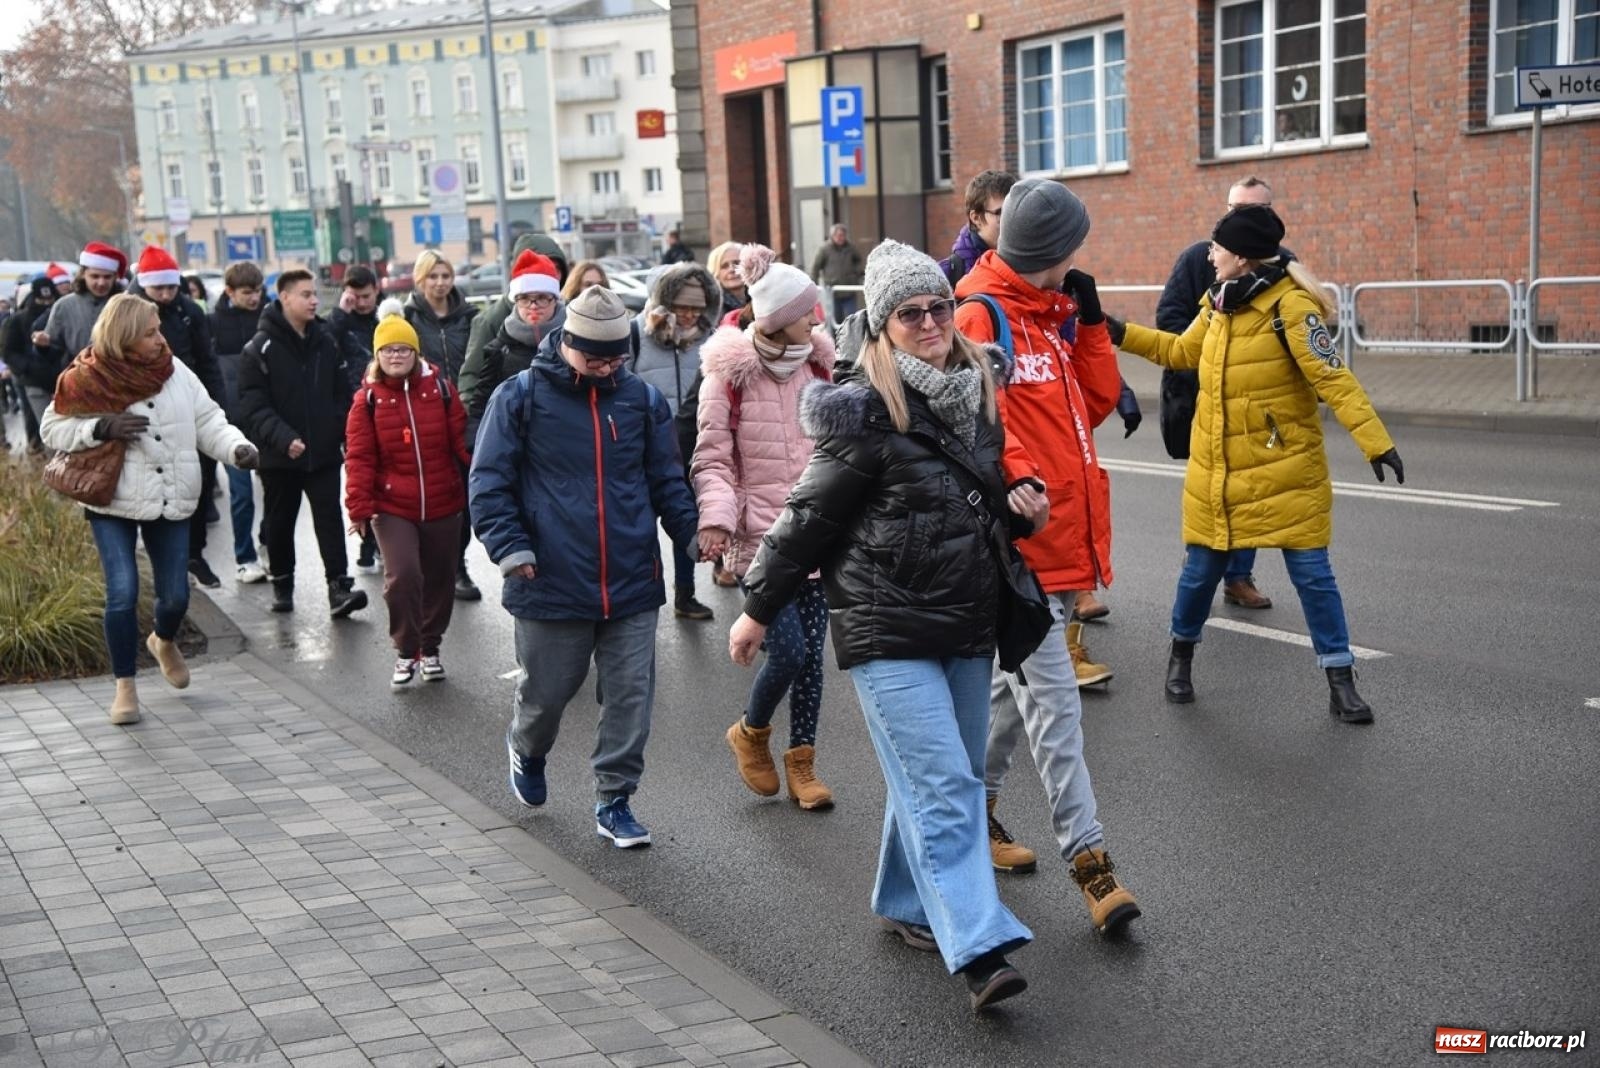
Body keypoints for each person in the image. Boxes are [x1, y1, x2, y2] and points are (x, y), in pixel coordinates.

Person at [730, 239, 1048, 1010]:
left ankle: (906, 902)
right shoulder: (863, 412)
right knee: (943, 785)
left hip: (966, 619)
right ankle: (979, 946)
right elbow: (806, 517)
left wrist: (1021, 506)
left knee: (950, 780)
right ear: (881, 324)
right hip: (885, 626)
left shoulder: (975, 390)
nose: (932, 321)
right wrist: (757, 607)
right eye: (911, 313)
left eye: (939, 305)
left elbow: (987, 498)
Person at [1113, 205, 1403, 724]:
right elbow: (1180, 352)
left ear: (1241, 256)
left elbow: (1333, 378)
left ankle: (1341, 680)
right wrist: (1117, 331)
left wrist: (1375, 442)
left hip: (1285, 466)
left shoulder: (1290, 308)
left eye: (1217, 246)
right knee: (1199, 574)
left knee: (1313, 576)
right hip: (1218, 468)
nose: (1210, 254)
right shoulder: (1216, 303)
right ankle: (1180, 660)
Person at [952, 180, 1141, 933]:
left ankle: (978, 811)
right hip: (1021, 548)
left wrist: (1090, 325)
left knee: (1011, 698)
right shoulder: (981, 312)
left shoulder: (1047, 316)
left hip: (1064, 544)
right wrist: (1024, 484)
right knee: (1056, 711)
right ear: (1055, 250)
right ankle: (1092, 865)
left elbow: (1093, 405)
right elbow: (986, 426)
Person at [470, 285, 701, 848]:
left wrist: (693, 535)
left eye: (616, 357)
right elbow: (488, 482)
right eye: (593, 357)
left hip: (630, 579)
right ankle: (526, 746)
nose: (605, 368)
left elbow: (667, 479)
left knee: (629, 697)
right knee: (548, 693)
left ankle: (615, 799)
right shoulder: (519, 397)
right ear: (566, 343)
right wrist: (511, 548)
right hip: (548, 578)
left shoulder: (641, 401)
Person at [40, 294, 258, 724]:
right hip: (112, 500)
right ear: (124, 338)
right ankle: (125, 687)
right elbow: (52, 426)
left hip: (170, 495)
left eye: (159, 329)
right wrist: (99, 427)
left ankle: (163, 640)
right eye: (150, 333)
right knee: (122, 592)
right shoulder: (88, 376)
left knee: (176, 595)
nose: (161, 340)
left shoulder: (176, 371)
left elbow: (208, 420)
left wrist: (237, 448)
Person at [694, 244, 836, 809]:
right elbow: (712, 460)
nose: (816, 318)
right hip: (759, 540)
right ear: (779, 318)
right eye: (807, 310)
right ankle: (751, 732)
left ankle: (803, 763)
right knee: (789, 651)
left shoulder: (820, 366)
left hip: (816, 535)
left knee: (813, 660)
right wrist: (717, 521)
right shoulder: (726, 377)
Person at [1154, 176, 1294, 611]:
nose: (1245, 216)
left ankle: (1238, 576)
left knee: (1250, 492)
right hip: (1204, 400)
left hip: (1257, 409)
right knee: (1211, 492)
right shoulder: (1200, 257)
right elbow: (1171, 318)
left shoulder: (1284, 264)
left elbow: (1299, 335)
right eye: (1237, 207)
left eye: (1257, 209)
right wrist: (1212, 361)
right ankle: (1200, 573)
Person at [344, 304, 470, 688]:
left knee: (440, 579)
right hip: (392, 506)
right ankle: (406, 649)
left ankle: (430, 648)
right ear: (377, 356)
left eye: (403, 349)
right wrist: (359, 508)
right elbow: (359, 458)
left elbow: (463, 444)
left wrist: (486, 481)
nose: (396, 356)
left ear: (415, 353)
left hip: (444, 501)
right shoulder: (366, 401)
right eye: (388, 350)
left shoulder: (442, 391)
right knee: (403, 576)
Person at [237, 269, 368, 619]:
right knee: (280, 521)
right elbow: (252, 404)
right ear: (285, 298)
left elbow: (343, 393)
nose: (314, 300)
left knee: (328, 518)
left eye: (314, 294)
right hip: (279, 457)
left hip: (323, 453)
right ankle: (282, 582)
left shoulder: (325, 341)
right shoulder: (259, 348)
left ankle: (339, 587)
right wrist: (283, 438)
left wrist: (339, 432)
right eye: (306, 294)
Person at [129, 246, 229, 590]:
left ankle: (194, 554)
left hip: (189, 404)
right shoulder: (128, 310)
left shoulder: (189, 310)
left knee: (197, 482)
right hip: (145, 411)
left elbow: (207, 359)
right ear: (145, 286)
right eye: (160, 289)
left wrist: (218, 405)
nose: (167, 295)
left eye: (172, 288)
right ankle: (163, 565)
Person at [631, 262, 722, 620]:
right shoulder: (635, 334)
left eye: (697, 309)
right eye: (681, 306)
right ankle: (638, 597)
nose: (688, 315)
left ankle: (685, 595)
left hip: (690, 445)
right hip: (642, 448)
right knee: (639, 527)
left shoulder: (712, 342)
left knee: (687, 520)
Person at [403, 250, 480, 601]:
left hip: (465, 418)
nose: (440, 283)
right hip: (425, 419)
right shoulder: (409, 318)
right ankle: (424, 563)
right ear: (420, 280)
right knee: (430, 495)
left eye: (445, 276)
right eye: (432, 276)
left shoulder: (469, 317)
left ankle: (457, 564)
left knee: (462, 497)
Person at [458, 233, 568, 424]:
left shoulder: (569, 321)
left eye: (557, 268)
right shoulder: (492, 320)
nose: (551, 272)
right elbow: (473, 380)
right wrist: (486, 425)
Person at [209, 262, 269, 584]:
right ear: (230, 292)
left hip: (267, 418)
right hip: (233, 422)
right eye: (247, 292)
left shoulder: (269, 319)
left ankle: (267, 543)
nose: (254, 297)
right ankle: (245, 557)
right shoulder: (213, 324)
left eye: (258, 290)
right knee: (242, 494)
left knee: (275, 492)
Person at [31, 243, 127, 436]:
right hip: (78, 390)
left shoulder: (125, 305)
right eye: (95, 276)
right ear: (83, 274)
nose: (101, 283)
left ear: (115, 277)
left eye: (107, 277)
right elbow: (52, 353)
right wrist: (43, 346)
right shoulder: (64, 306)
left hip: (120, 388)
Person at [331, 265, 384, 575]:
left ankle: (376, 541)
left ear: (376, 290)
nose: (362, 303)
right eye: (356, 296)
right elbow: (325, 347)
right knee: (359, 476)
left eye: (367, 296)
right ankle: (366, 540)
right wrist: (340, 315)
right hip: (353, 409)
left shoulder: (388, 316)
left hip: (386, 406)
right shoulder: (340, 321)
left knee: (383, 475)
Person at [1, 275, 58, 452]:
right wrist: (26, 368)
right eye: (42, 299)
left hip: (60, 377)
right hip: (32, 380)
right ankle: (37, 449)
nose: (46, 303)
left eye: (50, 299)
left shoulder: (59, 313)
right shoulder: (18, 320)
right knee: (44, 426)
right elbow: (9, 350)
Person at [809, 224, 865, 321]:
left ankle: (852, 336)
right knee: (835, 319)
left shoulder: (851, 248)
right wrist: (814, 285)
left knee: (853, 318)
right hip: (833, 292)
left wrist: (856, 273)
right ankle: (835, 336)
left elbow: (859, 261)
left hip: (849, 291)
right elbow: (816, 267)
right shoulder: (825, 249)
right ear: (832, 236)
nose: (840, 238)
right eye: (838, 235)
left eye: (842, 235)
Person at [706, 241, 747, 324]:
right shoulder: (712, 308)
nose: (731, 269)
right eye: (724, 266)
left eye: (737, 263)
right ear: (716, 273)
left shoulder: (762, 298)